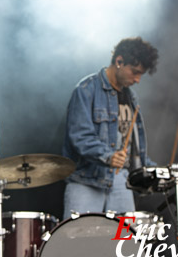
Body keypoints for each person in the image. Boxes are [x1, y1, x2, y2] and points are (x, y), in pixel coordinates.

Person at [62, 37, 158, 219]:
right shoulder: (86, 90)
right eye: (135, 72)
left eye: (141, 75)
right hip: (86, 181)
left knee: (125, 243)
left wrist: (153, 171)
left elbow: (134, 147)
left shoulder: (132, 97)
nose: (137, 80)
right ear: (119, 61)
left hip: (121, 181)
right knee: (77, 243)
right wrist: (108, 156)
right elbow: (80, 137)